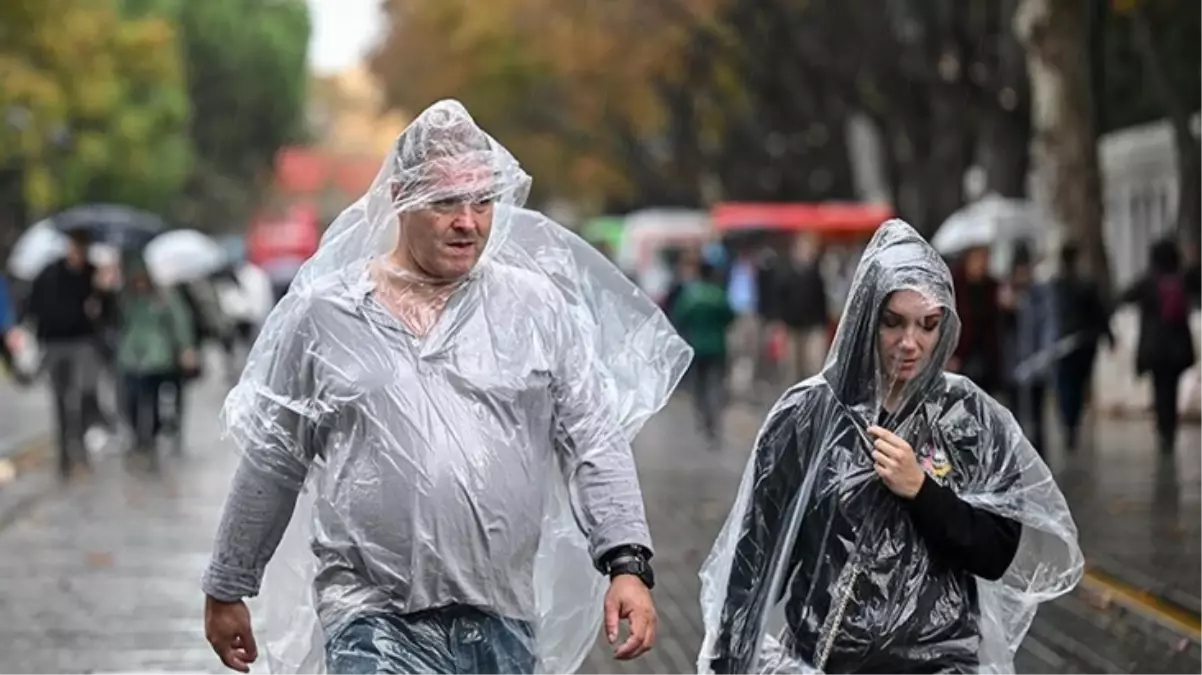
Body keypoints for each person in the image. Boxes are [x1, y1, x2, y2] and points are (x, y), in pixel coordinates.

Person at [201, 100, 692, 674]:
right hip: (371, 619)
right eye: (445, 202)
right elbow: (274, 459)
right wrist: (229, 582)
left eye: (483, 200)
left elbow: (593, 441)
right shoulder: (325, 316)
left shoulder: (533, 309)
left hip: (500, 620)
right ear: (400, 198)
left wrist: (627, 564)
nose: (469, 221)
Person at [698, 220, 1082, 674]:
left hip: (941, 664)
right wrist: (727, 661)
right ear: (864, 316)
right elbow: (753, 563)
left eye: (928, 325)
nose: (909, 343)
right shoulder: (809, 415)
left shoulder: (967, 418)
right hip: (827, 663)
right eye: (893, 322)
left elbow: (995, 551)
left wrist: (922, 491)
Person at [23, 229, 108, 478]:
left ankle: (80, 452)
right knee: (60, 400)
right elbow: (34, 305)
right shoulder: (49, 273)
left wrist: (100, 297)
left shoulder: (92, 275)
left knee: (83, 394)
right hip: (54, 342)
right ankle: (65, 457)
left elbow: (106, 311)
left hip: (82, 341)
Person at [1113, 239, 1195, 455]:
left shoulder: (1148, 282)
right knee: (1172, 388)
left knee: (1159, 389)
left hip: (1155, 348)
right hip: (1178, 348)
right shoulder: (1183, 279)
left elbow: (1124, 296)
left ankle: (1163, 430)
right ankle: (1170, 429)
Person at [113, 256, 196, 458]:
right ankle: (141, 437)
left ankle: (150, 437)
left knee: (152, 399)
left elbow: (179, 321)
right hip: (132, 357)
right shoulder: (126, 299)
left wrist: (186, 348)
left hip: (158, 358)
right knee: (132, 400)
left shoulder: (164, 296)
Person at [1050, 242, 1113, 450]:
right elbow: (1100, 313)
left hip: (1064, 343)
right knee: (1078, 384)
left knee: (1067, 384)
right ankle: (1073, 423)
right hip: (1084, 342)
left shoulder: (1056, 286)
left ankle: (1069, 424)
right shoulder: (1085, 284)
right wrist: (1109, 336)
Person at [999, 245, 1057, 455]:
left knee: (1037, 418)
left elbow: (1048, 327)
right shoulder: (1005, 294)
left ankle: (1039, 458)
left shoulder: (1040, 294)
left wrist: (1042, 358)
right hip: (1012, 365)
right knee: (1014, 416)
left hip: (1035, 365)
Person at [673, 261, 736, 446]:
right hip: (717, 346)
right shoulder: (719, 294)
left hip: (697, 346)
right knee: (715, 382)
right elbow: (730, 317)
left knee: (699, 384)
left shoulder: (691, 295)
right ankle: (714, 417)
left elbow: (680, 317)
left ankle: (702, 414)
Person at [771, 233, 830, 385]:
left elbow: (822, 299)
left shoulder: (816, 272)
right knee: (792, 366)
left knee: (813, 364)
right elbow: (779, 298)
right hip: (792, 325)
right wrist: (779, 324)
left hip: (812, 324)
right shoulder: (786, 272)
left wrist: (824, 323)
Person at [950, 245, 1003, 394]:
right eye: (980, 257)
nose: (984, 263)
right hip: (961, 353)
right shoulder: (955, 284)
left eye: (986, 258)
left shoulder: (992, 286)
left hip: (986, 354)